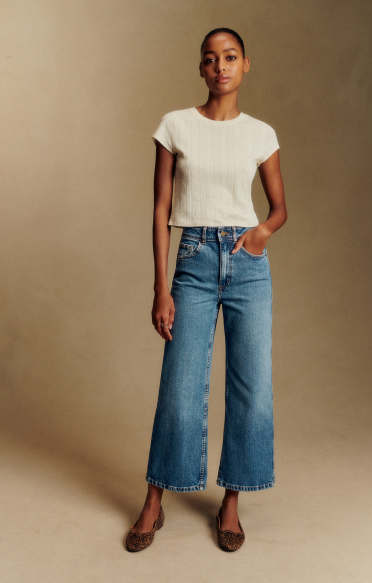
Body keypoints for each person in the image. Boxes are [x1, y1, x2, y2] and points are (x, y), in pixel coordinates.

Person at [125, 27, 287, 553]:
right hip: (192, 260)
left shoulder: (261, 133)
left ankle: (231, 502)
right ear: (201, 68)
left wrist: (259, 235)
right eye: (212, 59)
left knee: (251, 387)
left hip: (247, 266)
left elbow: (279, 209)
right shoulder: (175, 126)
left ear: (245, 64)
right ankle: (154, 501)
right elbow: (160, 209)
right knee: (180, 386)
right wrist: (160, 286)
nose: (221, 66)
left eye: (231, 57)